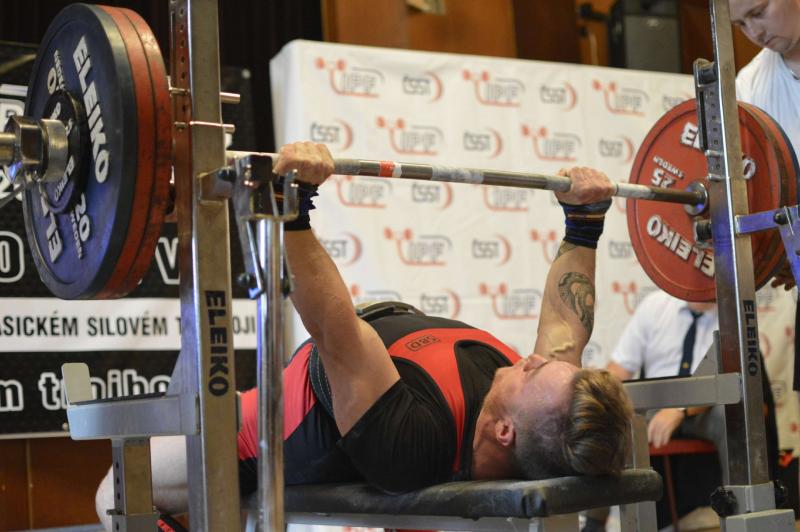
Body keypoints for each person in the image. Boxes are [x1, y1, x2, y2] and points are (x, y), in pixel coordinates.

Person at [94, 142, 634, 529]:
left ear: (505, 433)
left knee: (117, 492)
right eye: (550, 364)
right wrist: (585, 221)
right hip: (354, 352)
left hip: (278, 420)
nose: (535, 360)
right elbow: (565, 327)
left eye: (536, 374)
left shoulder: (413, 445)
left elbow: (336, 331)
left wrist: (292, 207)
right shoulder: (536, 404)